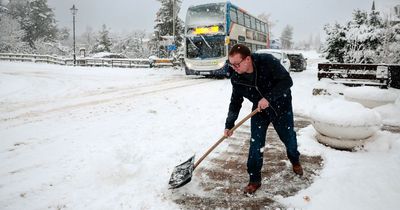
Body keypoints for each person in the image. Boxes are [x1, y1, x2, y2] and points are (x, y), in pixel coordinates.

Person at [224, 44, 303, 195]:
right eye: (231, 64)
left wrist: (269, 98)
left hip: (281, 106)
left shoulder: (267, 62)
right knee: (255, 144)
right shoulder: (236, 77)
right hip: (259, 111)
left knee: (289, 139)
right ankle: (254, 180)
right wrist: (229, 124)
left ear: (247, 59)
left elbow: (287, 81)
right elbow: (235, 102)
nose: (234, 68)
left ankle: (295, 160)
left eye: (237, 64)